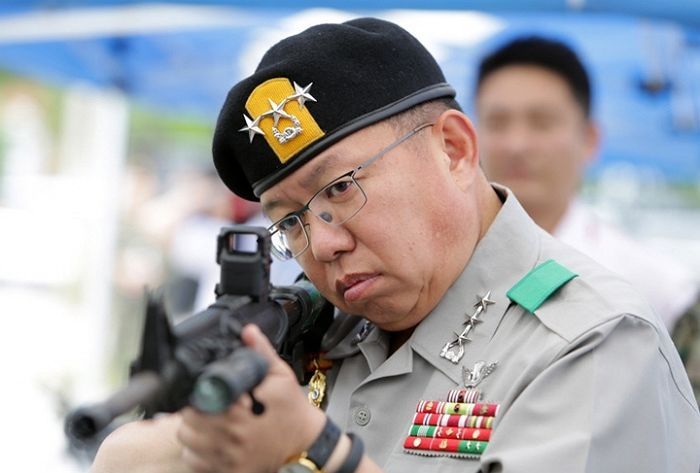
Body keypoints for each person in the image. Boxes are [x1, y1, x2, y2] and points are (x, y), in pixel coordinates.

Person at [91, 18, 700, 473]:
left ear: (455, 149)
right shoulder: (321, 330)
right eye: (291, 223)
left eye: (342, 188)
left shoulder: (595, 341)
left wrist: (320, 451)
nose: (323, 244)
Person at [473, 35, 700, 402]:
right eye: (498, 123)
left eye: (541, 122)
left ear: (590, 138)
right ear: (468, 139)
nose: (516, 144)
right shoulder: (439, 270)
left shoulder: (658, 287)